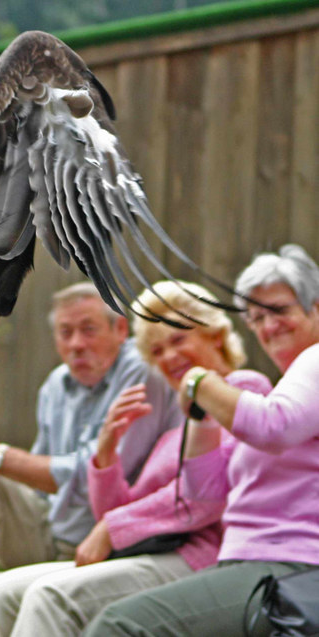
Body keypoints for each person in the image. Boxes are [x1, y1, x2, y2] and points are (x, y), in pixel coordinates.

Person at [0, 282, 182, 631]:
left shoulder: (143, 373)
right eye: (65, 332)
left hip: (109, 543)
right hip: (51, 532)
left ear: (120, 329)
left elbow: (95, 475)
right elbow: (39, 482)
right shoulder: (57, 385)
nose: (76, 344)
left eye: (89, 330)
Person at [0, 280, 270, 636]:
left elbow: (207, 497)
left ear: (215, 335)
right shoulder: (174, 432)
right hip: (154, 554)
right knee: (1, 592)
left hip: (205, 558)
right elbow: (117, 508)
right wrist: (105, 454)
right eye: (158, 350)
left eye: (179, 340)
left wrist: (112, 528)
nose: (168, 357)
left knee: (49, 597)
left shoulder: (245, 391)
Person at [86, 244, 319, 636]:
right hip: (245, 560)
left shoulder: (306, 365)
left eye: (279, 309)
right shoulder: (276, 391)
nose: (267, 325)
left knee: (116, 624)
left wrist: (198, 381)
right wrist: (202, 418)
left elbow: (274, 427)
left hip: (289, 565)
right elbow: (205, 493)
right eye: (256, 316)